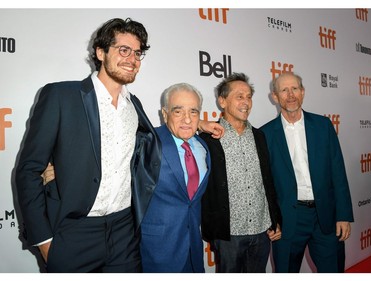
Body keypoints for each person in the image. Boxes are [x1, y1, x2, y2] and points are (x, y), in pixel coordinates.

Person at [15, 18, 222, 273]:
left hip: (125, 233)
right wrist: (44, 240)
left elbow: (163, 133)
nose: (132, 59)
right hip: (75, 233)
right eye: (123, 50)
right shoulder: (61, 96)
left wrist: (197, 123)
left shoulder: (134, 107)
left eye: (137, 53)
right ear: (100, 52)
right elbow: (28, 170)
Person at [260, 72, 354, 273]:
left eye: (295, 88)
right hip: (287, 220)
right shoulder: (265, 134)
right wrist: (272, 220)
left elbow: (338, 172)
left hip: (326, 218)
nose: (290, 94)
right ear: (275, 97)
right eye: (284, 90)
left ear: (303, 92)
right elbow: (264, 184)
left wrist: (344, 215)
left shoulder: (323, 126)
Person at [199, 72, 282, 273]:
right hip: (228, 234)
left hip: (261, 230)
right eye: (239, 96)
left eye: (249, 96)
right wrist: (199, 124)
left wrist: (275, 218)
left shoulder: (260, 136)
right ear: (222, 101)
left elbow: (267, 182)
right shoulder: (208, 138)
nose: (246, 102)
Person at [140, 83, 211, 272]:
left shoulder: (203, 147)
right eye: (178, 111)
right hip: (157, 250)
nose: (187, 119)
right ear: (165, 114)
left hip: (194, 248)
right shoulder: (148, 142)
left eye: (193, 112)